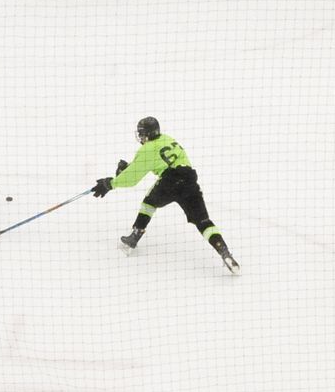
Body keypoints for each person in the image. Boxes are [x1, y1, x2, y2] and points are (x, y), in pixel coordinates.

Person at [94, 116, 238, 274]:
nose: (141, 137)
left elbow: (132, 179)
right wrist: (128, 168)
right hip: (189, 179)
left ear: (148, 134)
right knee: (203, 221)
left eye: (142, 134)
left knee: (149, 203)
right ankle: (224, 251)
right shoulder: (168, 139)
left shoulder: (146, 149)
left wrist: (110, 183)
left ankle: (134, 237)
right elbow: (154, 161)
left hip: (170, 180)